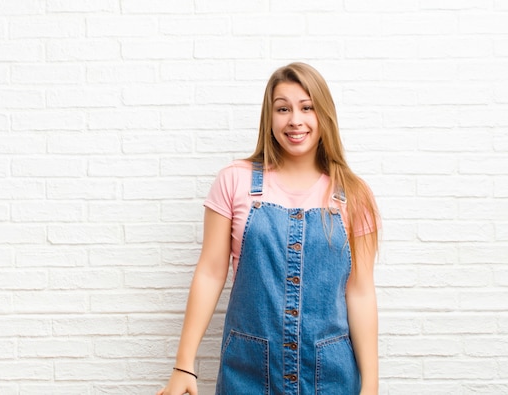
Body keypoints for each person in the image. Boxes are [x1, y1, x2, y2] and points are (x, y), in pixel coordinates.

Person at [157, 62, 380, 395]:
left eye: (307, 107)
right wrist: (183, 364)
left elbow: (360, 291)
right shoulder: (235, 180)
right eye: (283, 108)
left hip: (331, 377)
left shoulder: (354, 194)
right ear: (269, 116)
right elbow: (210, 271)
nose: (295, 120)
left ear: (324, 116)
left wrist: (371, 385)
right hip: (247, 372)